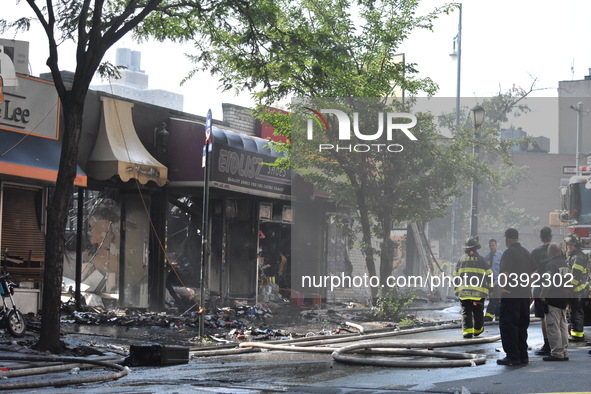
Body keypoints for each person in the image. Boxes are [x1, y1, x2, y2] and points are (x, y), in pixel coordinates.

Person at [497, 228, 538, 366]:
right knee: (522, 325)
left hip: (511, 295)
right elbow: (535, 271)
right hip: (525, 295)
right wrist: (527, 283)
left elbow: (505, 273)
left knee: (509, 326)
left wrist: (502, 289)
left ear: (507, 239)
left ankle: (512, 357)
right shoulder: (526, 253)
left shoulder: (508, 253)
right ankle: (522, 355)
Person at [454, 237, 492, 339]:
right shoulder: (482, 260)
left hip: (464, 293)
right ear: (476, 248)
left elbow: (456, 277)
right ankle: (478, 329)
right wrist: (491, 289)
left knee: (466, 311)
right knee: (478, 311)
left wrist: (456, 290)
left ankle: (467, 332)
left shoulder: (460, 260)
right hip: (478, 294)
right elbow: (489, 276)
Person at [540, 242, 569, 361]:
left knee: (553, 326)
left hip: (553, 300)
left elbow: (548, 282)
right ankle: (564, 351)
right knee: (562, 325)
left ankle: (557, 353)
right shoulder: (565, 264)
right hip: (564, 299)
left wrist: (543, 295)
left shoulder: (551, 265)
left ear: (550, 252)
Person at [564, 233, 590, 342]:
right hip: (578, 290)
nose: (569, 247)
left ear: (576, 245)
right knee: (574, 313)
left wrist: (568, 289)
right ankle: (575, 334)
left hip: (578, 291)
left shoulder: (577, 258)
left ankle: (577, 336)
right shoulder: (574, 256)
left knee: (576, 313)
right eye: (568, 244)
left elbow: (576, 276)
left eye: (571, 245)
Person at [531, 227, 553, 356]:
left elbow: (532, 271)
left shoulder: (535, 252)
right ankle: (558, 343)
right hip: (556, 288)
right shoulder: (557, 250)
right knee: (557, 316)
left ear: (540, 237)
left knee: (543, 318)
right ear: (551, 236)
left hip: (539, 287)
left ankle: (547, 344)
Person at [484, 239, 502, 322]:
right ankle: (499, 315)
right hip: (490, 281)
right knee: (496, 299)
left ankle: (489, 315)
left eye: (493, 245)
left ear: (496, 245)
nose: (492, 247)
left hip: (498, 281)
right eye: (490, 245)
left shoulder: (501, 256)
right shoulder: (487, 257)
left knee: (493, 299)